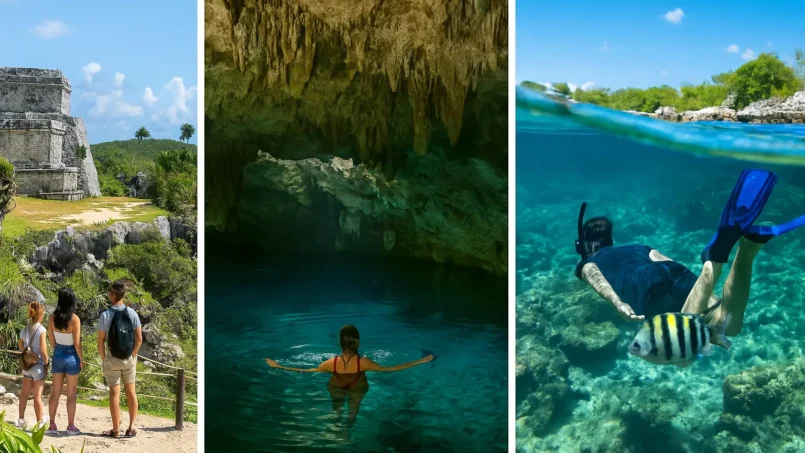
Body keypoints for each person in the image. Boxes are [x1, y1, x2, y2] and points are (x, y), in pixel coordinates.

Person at [574, 168, 805, 338]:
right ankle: (748, 247)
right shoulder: (638, 247)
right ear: (611, 240)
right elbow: (663, 260)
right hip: (673, 273)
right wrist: (695, 286)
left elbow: (597, 279)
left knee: (680, 343)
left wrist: (618, 305)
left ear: (583, 246)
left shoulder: (587, 262)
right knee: (727, 325)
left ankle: (714, 265)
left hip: (648, 292)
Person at [265, 324, 434, 426]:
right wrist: (418, 361)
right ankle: (345, 434)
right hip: (357, 386)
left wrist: (279, 365)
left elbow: (307, 371)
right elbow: (390, 369)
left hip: (336, 384)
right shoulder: (365, 362)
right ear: (357, 341)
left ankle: (335, 426)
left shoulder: (331, 363)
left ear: (341, 342)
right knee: (352, 414)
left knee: (337, 411)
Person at [98, 279, 142, 438]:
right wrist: (133, 355)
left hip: (112, 360)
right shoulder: (132, 313)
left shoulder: (105, 315)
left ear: (111, 295)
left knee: (114, 394)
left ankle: (116, 430)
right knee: (131, 392)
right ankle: (131, 428)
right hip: (129, 359)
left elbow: (101, 341)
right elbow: (139, 339)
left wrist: (104, 359)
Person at [46, 288, 85, 435]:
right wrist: (81, 359)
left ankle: (51, 425)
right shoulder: (75, 319)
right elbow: (76, 343)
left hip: (58, 354)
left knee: (55, 393)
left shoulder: (52, 318)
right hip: (71, 356)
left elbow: (51, 339)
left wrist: (57, 350)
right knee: (71, 394)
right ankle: (70, 426)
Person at [16, 301, 49, 430]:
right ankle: (39, 421)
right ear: (40, 314)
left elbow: (21, 346)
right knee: (37, 397)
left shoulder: (24, 329)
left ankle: (21, 419)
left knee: (24, 394)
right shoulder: (41, 330)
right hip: (38, 366)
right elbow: (43, 349)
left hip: (27, 367)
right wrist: (46, 362)